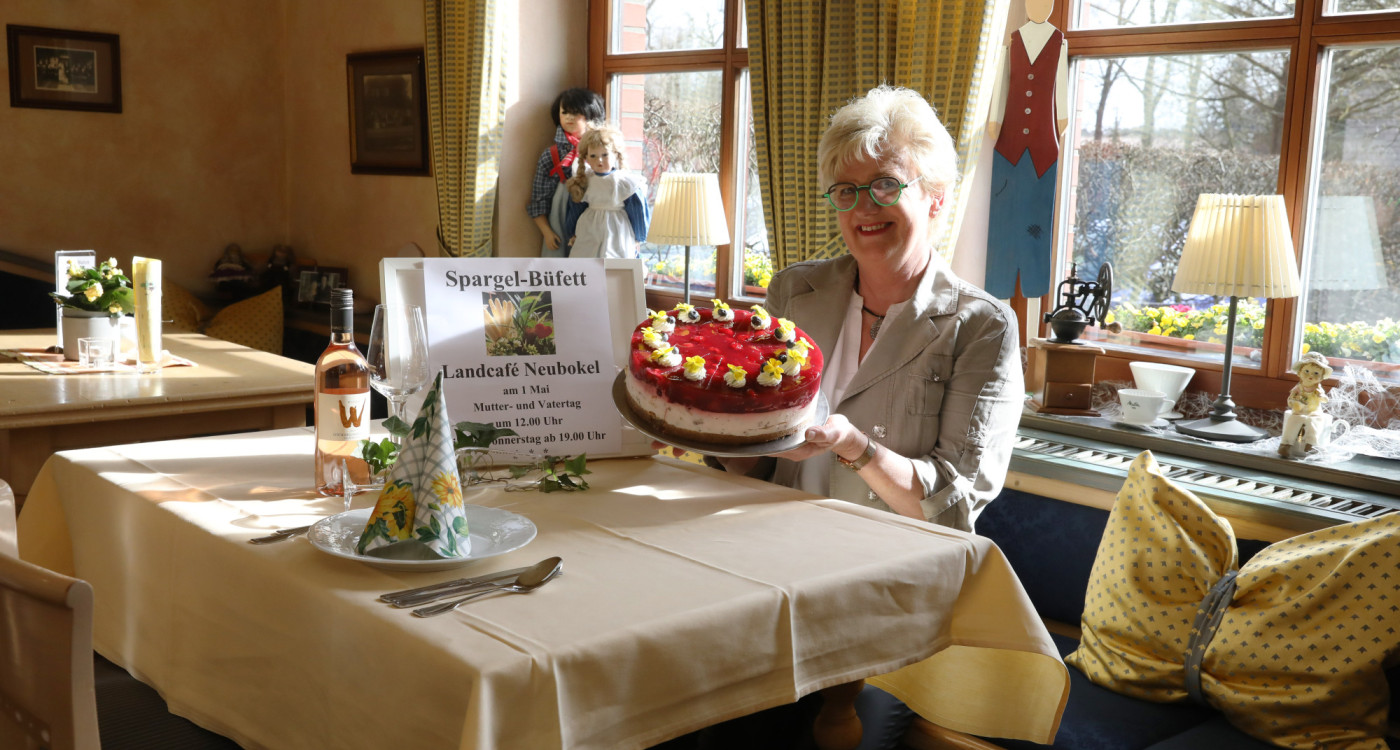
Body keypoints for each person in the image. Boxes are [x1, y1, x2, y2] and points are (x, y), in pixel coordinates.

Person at [706, 85, 1024, 533]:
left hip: (891, 572)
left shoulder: (982, 326)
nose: (864, 207)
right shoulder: (794, 291)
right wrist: (708, 424)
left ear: (936, 196)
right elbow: (756, 466)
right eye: (846, 190)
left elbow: (955, 505)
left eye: (885, 185)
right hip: (773, 548)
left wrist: (857, 448)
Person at [984, 0, 1068, 306]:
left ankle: (1034, 299)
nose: (1038, 6)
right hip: (1009, 143)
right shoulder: (1014, 40)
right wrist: (995, 119)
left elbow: (1063, 89)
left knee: (1037, 223)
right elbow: (1003, 82)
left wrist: (1062, 121)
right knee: (1003, 220)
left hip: (1044, 145)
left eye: (1045, 2)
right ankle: (1000, 299)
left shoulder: (1059, 41)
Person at [528, 87, 605, 257]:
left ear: (591, 114)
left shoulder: (604, 150)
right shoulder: (552, 155)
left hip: (596, 212)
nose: (569, 117)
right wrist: (546, 232)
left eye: (576, 112)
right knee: (559, 271)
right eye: (565, 112)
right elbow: (539, 198)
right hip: (560, 217)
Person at [562, 125, 650, 259]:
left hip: (617, 228)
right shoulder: (585, 180)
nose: (600, 160)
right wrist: (572, 233)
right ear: (586, 158)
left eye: (605, 154)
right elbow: (575, 208)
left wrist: (639, 237)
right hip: (589, 228)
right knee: (586, 257)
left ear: (615, 154)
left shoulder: (624, 182)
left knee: (616, 258)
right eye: (593, 156)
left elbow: (636, 210)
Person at [1279, 351, 1333, 456]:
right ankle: (1285, 445)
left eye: (1316, 373)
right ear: (1299, 372)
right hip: (1299, 411)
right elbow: (1291, 398)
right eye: (1306, 371)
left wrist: (1322, 397)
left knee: (1314, 423)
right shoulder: (1299, 387)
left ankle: (1311, 444)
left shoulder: (1317, 389)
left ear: (1322, 377)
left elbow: (1325, 400)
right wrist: (1293, 401)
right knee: (1293, 421)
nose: (1310, 376)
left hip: (1314, 412)